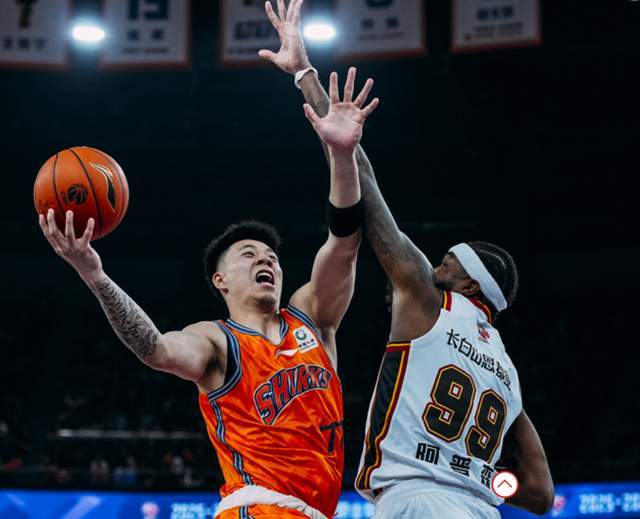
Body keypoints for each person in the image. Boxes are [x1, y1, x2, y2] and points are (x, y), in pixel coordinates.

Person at [37, 69, 379, 518]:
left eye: (271, 256)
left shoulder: (313, 317)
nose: (265, 260)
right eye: (249, 255)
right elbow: (156, 348)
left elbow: (345, 240)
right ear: (221, 281)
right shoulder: (217, 340)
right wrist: (94, 275)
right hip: (258, 509)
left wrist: (342, 154)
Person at [260, 1, 554, 517]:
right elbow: (542, 494)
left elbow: (367, 191)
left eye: (446, 263)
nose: (433, 267)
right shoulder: (507, 374)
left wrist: (305, 76)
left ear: (468, 285)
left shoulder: (431, 300)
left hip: (417, 499)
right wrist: (481, 475)